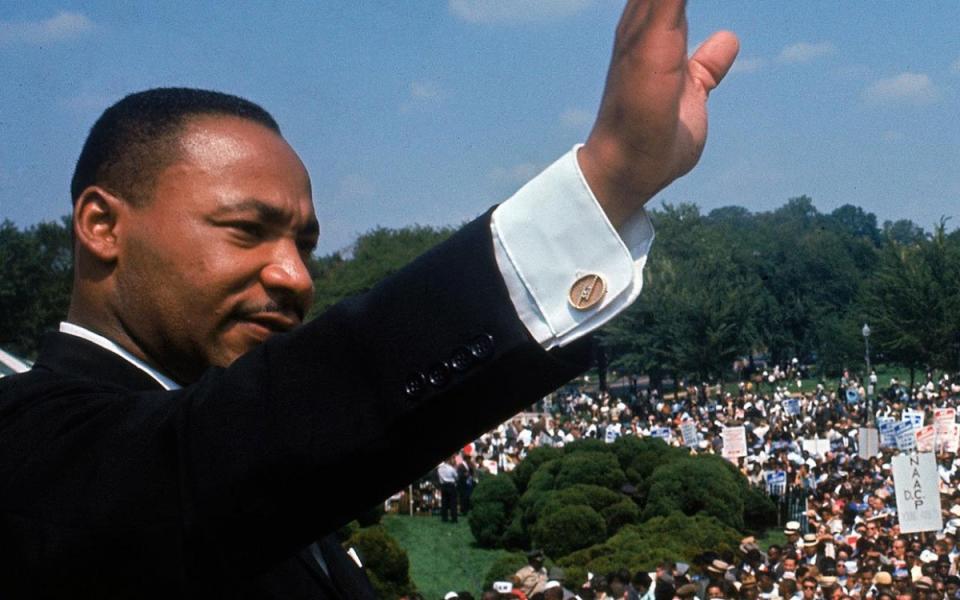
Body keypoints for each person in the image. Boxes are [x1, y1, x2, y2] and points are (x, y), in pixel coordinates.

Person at [0, 1, 738, 598]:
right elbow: (255, 434)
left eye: (305, 245)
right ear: (102, 225)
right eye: (246, 230)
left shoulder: (285, 506)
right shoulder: (33, 448)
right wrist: (606, 183)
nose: (295, 277)